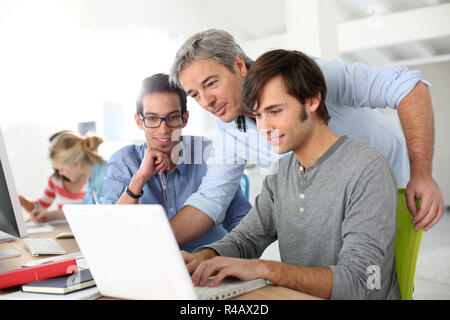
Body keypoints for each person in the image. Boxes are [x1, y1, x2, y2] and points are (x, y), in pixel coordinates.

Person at [169, 29, 443, 235]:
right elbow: (211, 197)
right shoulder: (228, 128)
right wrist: (161, 243)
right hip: (329, 202)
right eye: (195, 95)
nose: (206, 101)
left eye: (211, 83)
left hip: (391, 182)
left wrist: (422, 176)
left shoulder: (307, 76)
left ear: (239, 66)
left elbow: (408, 85)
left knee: (383, 281)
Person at [182, 49, 400, 300]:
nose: (264, 128)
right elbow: (246, 239)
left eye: (275, 112)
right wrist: (200, 259)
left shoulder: (367, 168)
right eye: (259, 114)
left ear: (312, 101)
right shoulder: (282, 172)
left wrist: (263, 269)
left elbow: (361, 281)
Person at [101, 73, 251, 252]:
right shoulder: (124, 161)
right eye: (152, 119)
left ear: (185, 118)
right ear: (139, 121)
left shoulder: (208, 153)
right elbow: (109, 230)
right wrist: (140, 178)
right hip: (149, 265)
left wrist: (234, 258)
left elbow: (240, 219)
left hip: (208, 264)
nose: (163, 129)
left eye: (172, 117)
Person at [25, 131, 107, 222]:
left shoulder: (104, 177)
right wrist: (48, 215)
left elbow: (103, 216)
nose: (60, 173)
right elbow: (84, 208)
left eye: (61, 169)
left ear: (76, 163)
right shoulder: (91, 176)